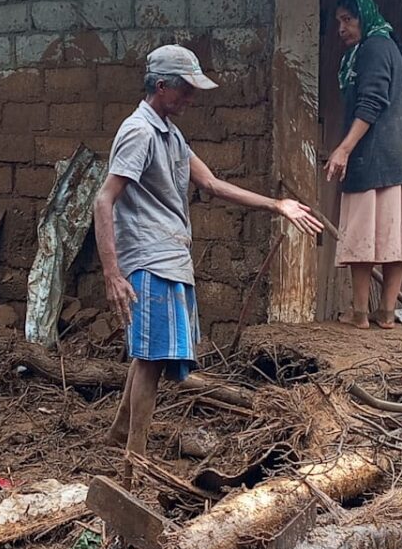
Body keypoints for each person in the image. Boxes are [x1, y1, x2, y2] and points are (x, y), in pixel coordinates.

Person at [94, 45, 323, 469]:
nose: (191, 98)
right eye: (185, 89)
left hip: (170, 254)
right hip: (148, 257)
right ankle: (135, 459)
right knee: (151, 359)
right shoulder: (139, 132)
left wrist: (277, 205)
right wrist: (112, 272)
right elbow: (104, 200)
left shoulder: (170, 132)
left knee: (150, 351)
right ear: (161, 87)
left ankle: (120, 434)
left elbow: (212, 184)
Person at [325, 0, 402, 329]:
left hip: (376, 159)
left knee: (362, 236)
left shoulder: (372, 49)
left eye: (348, 19)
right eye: (338, 21)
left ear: (365, 18)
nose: (342, 28)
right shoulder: (387, 46)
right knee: (394, 238)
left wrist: (344, 148)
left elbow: (371, 103)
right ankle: (386, 312)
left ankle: (359, 313)